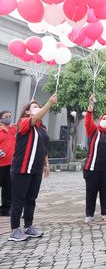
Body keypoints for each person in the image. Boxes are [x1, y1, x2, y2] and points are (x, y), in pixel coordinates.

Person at [8, 95, 57, 242]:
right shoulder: (23, 123)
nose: (38, 108)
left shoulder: (42, 128)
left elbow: (43, 147)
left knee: (31, 199)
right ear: (27, 112)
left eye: (38, 106)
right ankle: (14, 229)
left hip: (36, 169)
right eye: (34, 107)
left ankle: (28, 226)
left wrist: (46, 164)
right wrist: (49, 103)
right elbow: (34, 119)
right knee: (19, 199)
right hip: (22, 168)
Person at [83, 95, 106, 223]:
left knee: (105, 191)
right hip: (92, 168)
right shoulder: (93, 131)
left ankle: (105, 213)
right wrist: (91, 105)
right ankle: (89, 214)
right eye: (104, 118)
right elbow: (88, 120)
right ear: (100, 119)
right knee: (91, 192)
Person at [0, 110, 16, 216]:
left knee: (8, 187)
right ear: (1, 119)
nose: (9, 118)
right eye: (6, 116)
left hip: (10, 164)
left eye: (10, 116)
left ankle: (6, 209)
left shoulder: (13, 130)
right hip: (0, 164)